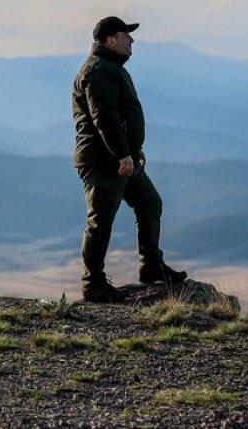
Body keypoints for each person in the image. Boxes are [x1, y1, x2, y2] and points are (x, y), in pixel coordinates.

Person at [72, 15, 187, 302]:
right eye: (126, 35)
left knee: (150, 203)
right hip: (104, 160)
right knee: (101, 219)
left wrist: (133, 150)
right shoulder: (97, 71)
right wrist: (122, 152)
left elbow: (118, 117)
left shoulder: (110, 68)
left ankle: (151, 266)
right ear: (110, 40)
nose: (132, 40)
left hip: (123, 157)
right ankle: (93, 283)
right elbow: (104, 119)